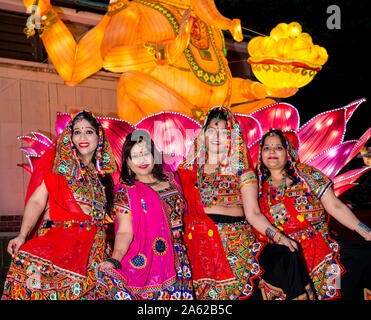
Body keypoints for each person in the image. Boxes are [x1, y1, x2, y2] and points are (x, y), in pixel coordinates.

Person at [177, 106, 314, 300]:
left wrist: (278, 237)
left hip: (236, 248)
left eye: (224, 132)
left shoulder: (242, 171)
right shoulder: (186, 171)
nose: (217, 136)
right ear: (202, 134)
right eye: (212, 131)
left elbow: (253, 213)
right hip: (198, 249)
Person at [1, 111, 117, 300]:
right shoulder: (59, 166)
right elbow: (38, 200)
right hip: (61, 249)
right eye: (77, 132)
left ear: (99, 137)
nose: (82, 137)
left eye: (88, 132)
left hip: (95, 255)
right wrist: (22, 234)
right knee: (28, 273)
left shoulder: (104, 177)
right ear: (70, 137)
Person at [256, 128, 371, 300]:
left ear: (288, 151)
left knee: (339, 288)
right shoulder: (255, 186)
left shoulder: (307, 175)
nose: (272, 152)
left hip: (324, 251)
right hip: (285, 257)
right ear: (260, 153)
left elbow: (334, 206)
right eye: (266, 148)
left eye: (278, 147)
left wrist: (366, 231)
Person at [94, 129, 193, 300]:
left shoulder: (172, 181)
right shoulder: (126, 192)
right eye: (135, 155)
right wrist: (115, 259)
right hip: (149, 261)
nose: (142, 160)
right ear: (127, 161)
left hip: (179, 258)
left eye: (146, 153)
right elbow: (125, 231)